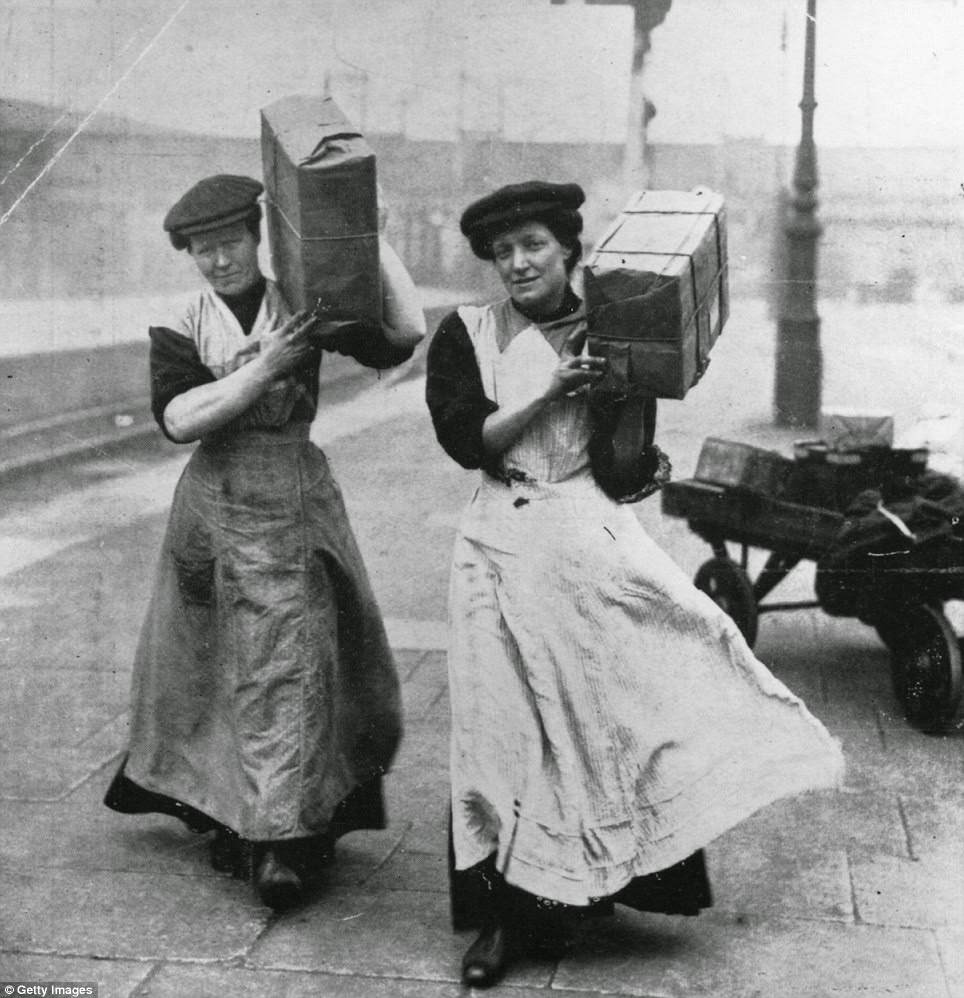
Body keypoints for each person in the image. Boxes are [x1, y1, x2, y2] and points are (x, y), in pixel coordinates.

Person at [425, 180, 844, 987]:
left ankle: (585, 884)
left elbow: (618, 473)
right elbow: (466, 439)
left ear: (568, 251)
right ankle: (505, 920)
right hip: (494, 537)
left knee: (600, 712)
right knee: (498, 724)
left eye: (533, 246)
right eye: (504, 251)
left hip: (583, 536)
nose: (517, 263)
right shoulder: (466, 333)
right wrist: (550, 390)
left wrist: (627, 406)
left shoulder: (616, 329)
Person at [105, 174, 425, 910]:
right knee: (216, 666)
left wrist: (371, 242)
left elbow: (402, 337)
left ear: (258, 237)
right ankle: (240, 818)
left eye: (229, 243)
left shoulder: (305, 298)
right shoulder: (184, 319)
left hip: (294, 492)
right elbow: (181, 419)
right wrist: (268, 365)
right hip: (213, 501)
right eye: (203, 251)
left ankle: (281, 840)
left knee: (293, 660)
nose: (219, 262)